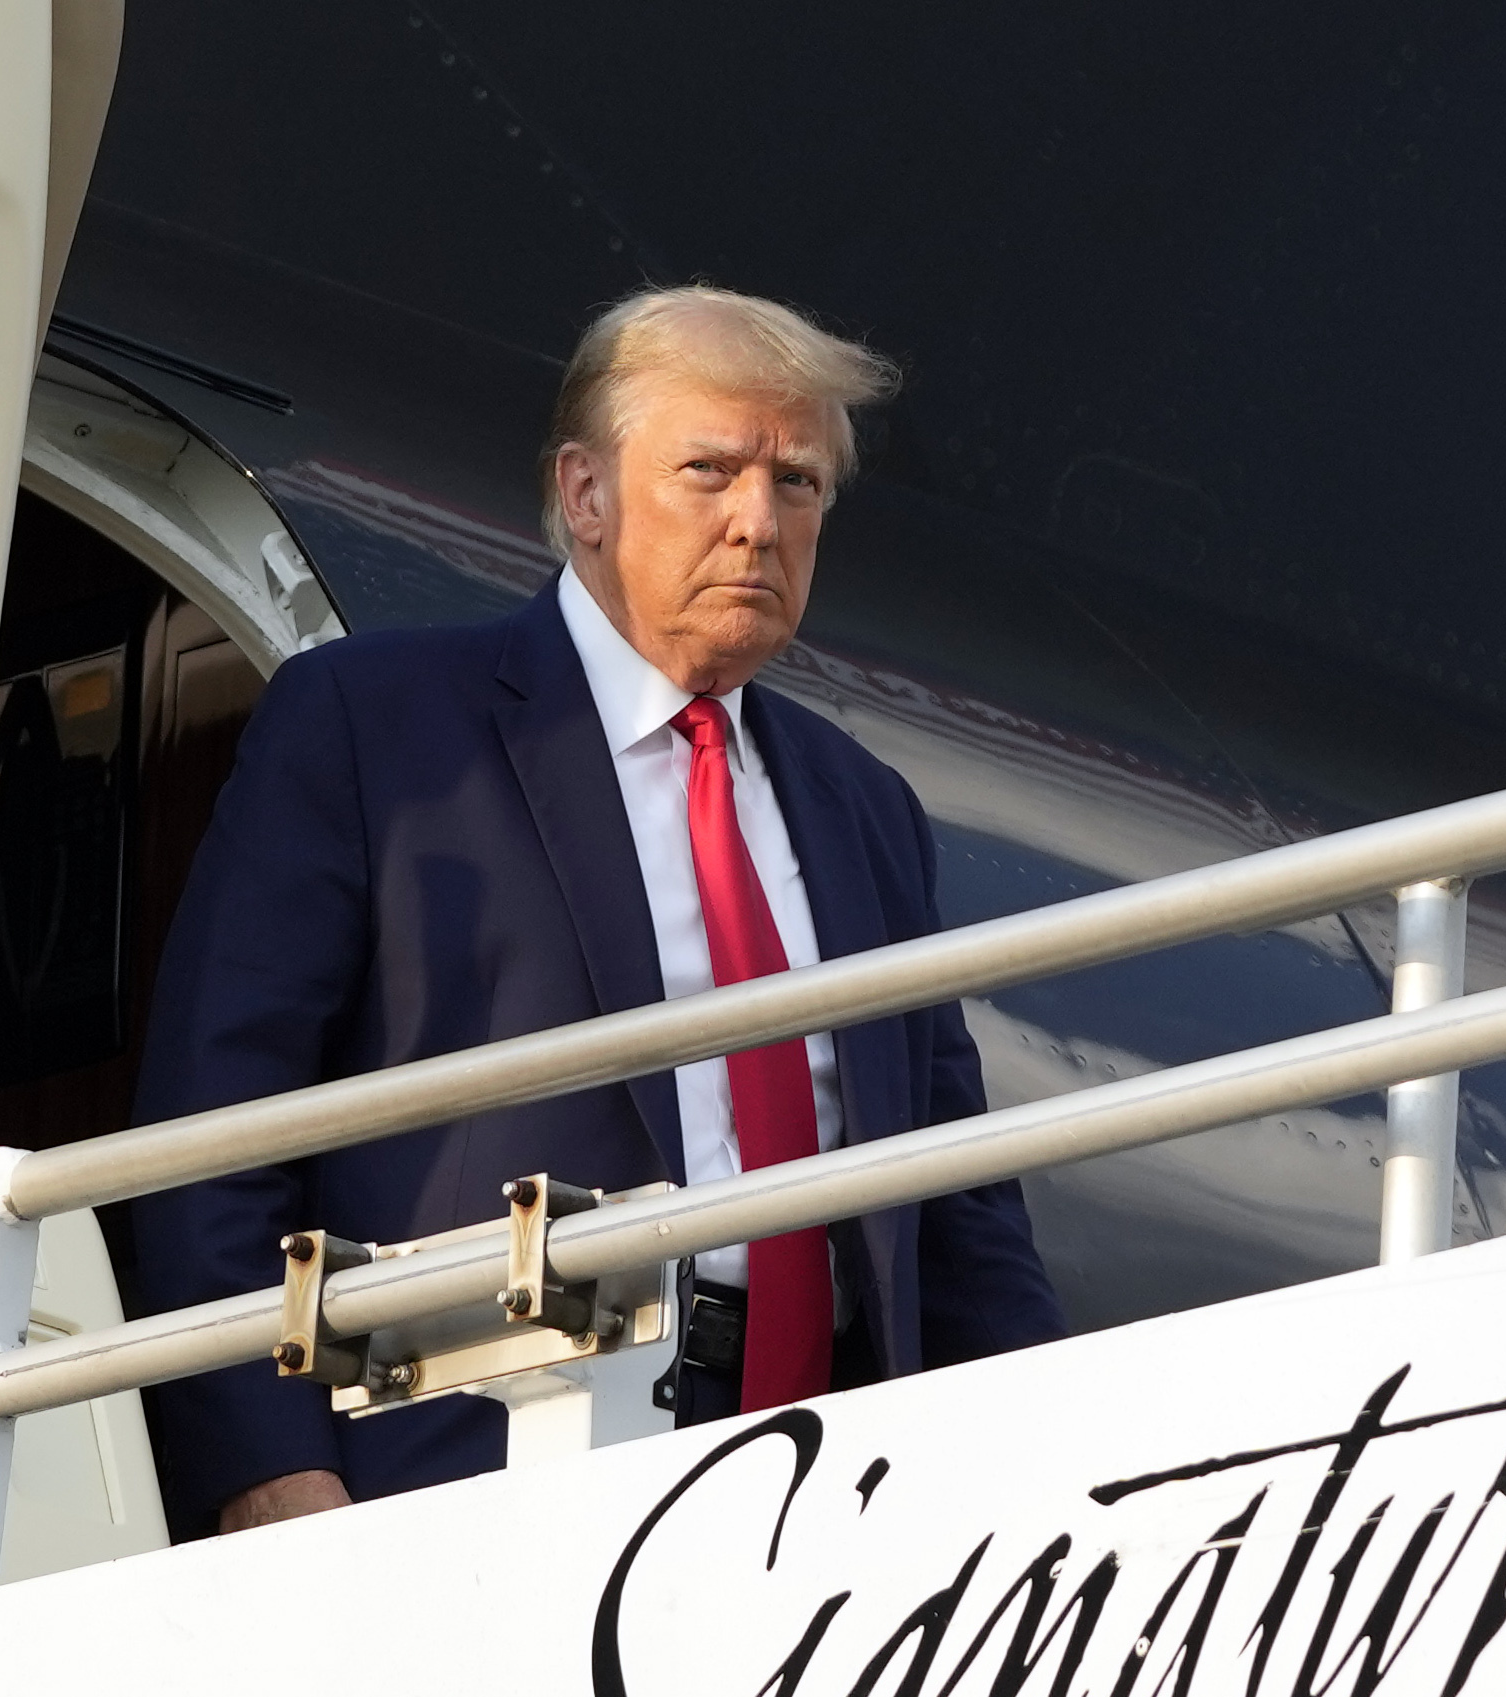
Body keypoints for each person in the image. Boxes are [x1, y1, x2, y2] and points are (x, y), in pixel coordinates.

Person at [128, 285, 1067, 1540]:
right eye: (709, 469)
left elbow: (955, 1210)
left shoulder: (863, 809)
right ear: (584, 495)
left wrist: (1046, 1476)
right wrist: (270, 1476)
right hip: (469, 1466)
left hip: (826, 1499)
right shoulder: (375, 727)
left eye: (796, 484)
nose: (756, 520)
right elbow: (209, 1135)